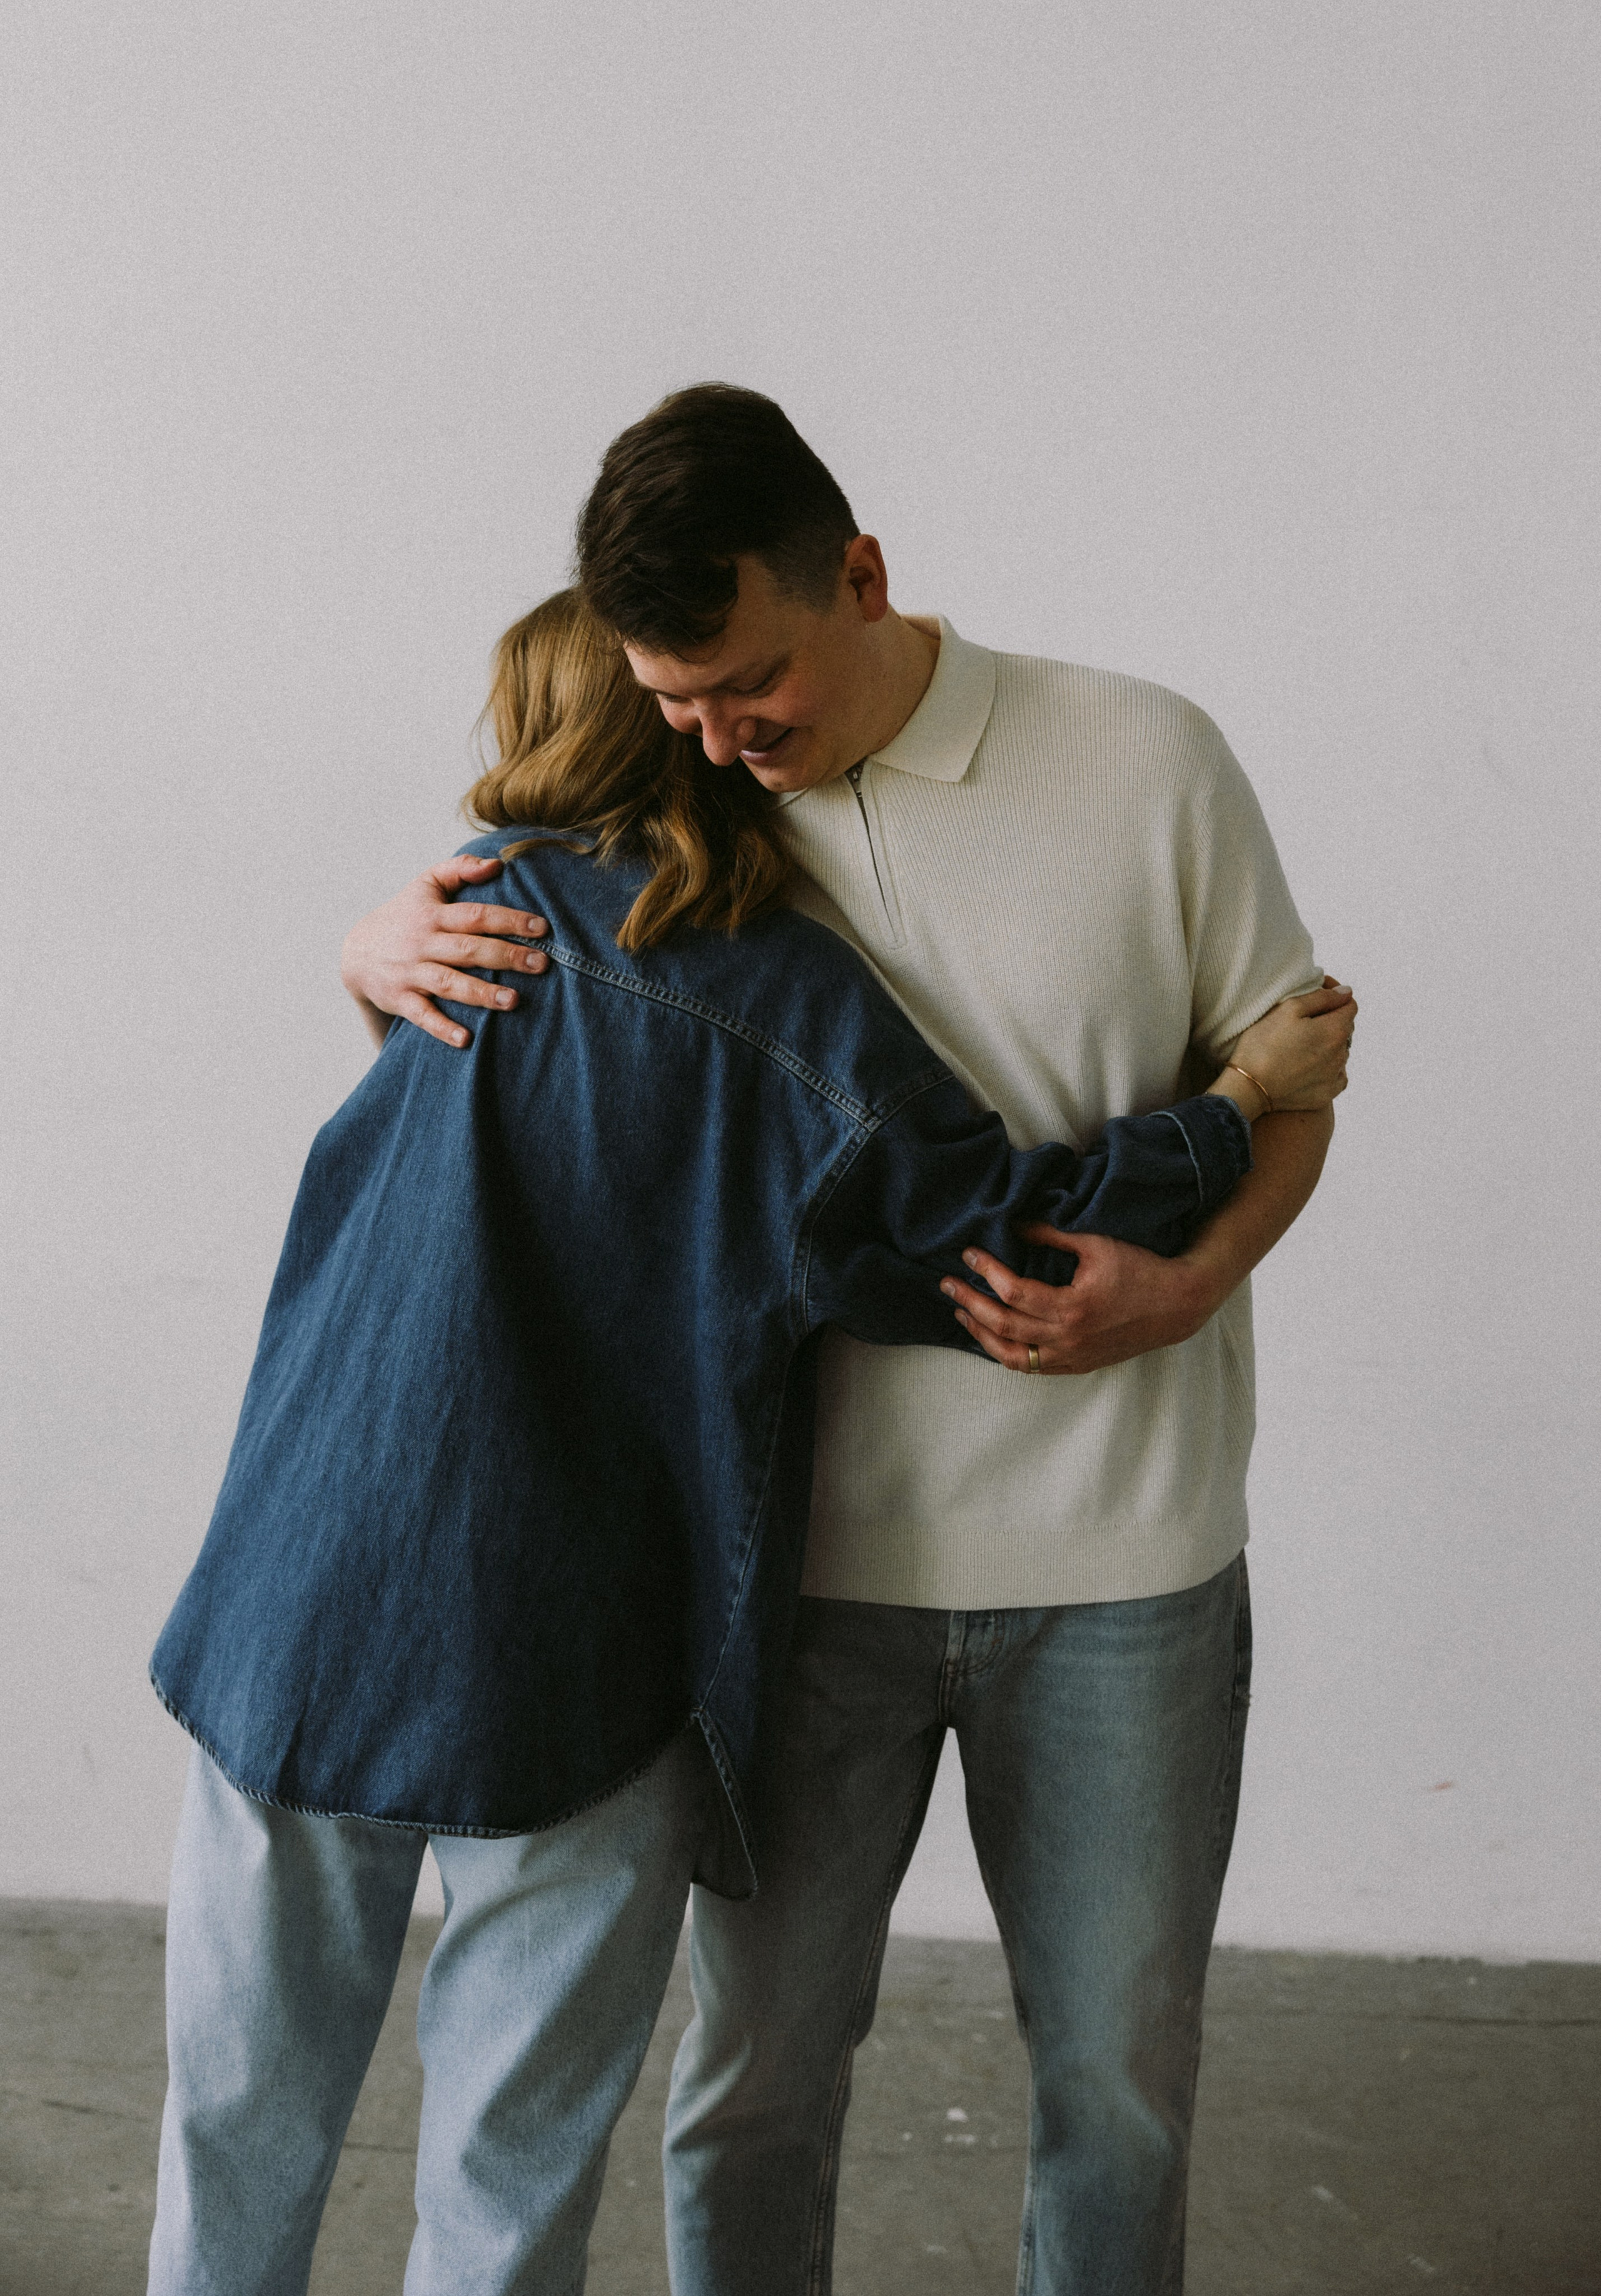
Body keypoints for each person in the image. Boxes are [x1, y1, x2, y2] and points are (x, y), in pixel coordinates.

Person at [149, 585, 1353, 2296]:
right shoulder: (775, 1008)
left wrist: (354, 953)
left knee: (236, 2131)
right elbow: (1000, 1239)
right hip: (578, 1644)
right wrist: (1234, 1105)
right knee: (503, 2183)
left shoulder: (454, 923)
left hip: (293, 1603)